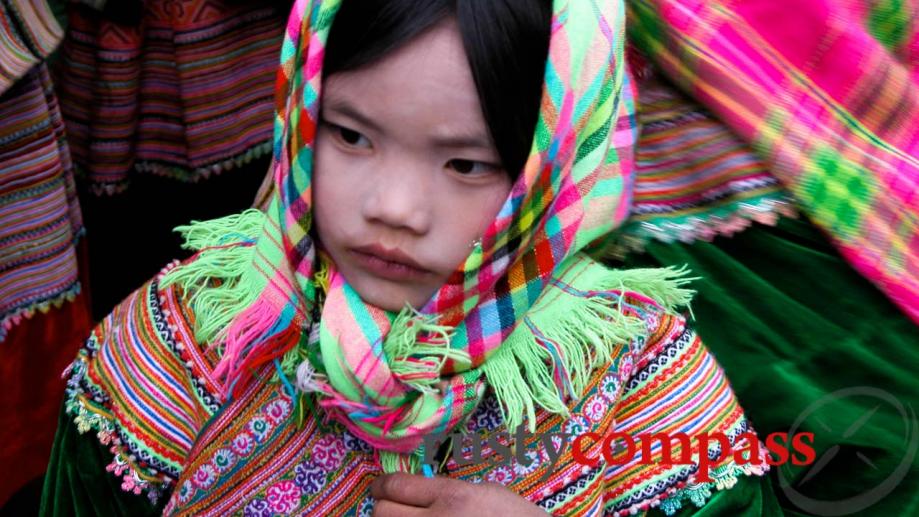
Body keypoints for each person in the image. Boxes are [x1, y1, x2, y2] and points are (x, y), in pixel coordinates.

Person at [41, 0, 776, 515]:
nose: (392, 206)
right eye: (351, 136)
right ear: (300, 111)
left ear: (554, 169)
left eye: (466, 164)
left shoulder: (635, 376)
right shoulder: (188, 344)